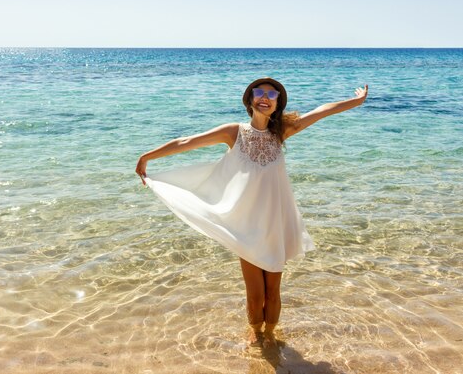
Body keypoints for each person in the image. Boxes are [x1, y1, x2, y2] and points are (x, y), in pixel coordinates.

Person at [135, 77, 368, 348]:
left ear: (278, 103)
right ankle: (255, 333)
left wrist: (357, 101)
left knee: (274, 292)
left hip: (275, 226)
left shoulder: (281, 132)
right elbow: (186, 141)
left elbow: (322, 111)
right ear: (250, 99)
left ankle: (271, 336)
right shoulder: (233, 132)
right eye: (260, 92)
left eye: (272, 94)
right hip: (246, 228)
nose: (265, 97)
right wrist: (147, 156)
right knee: (255, 295)